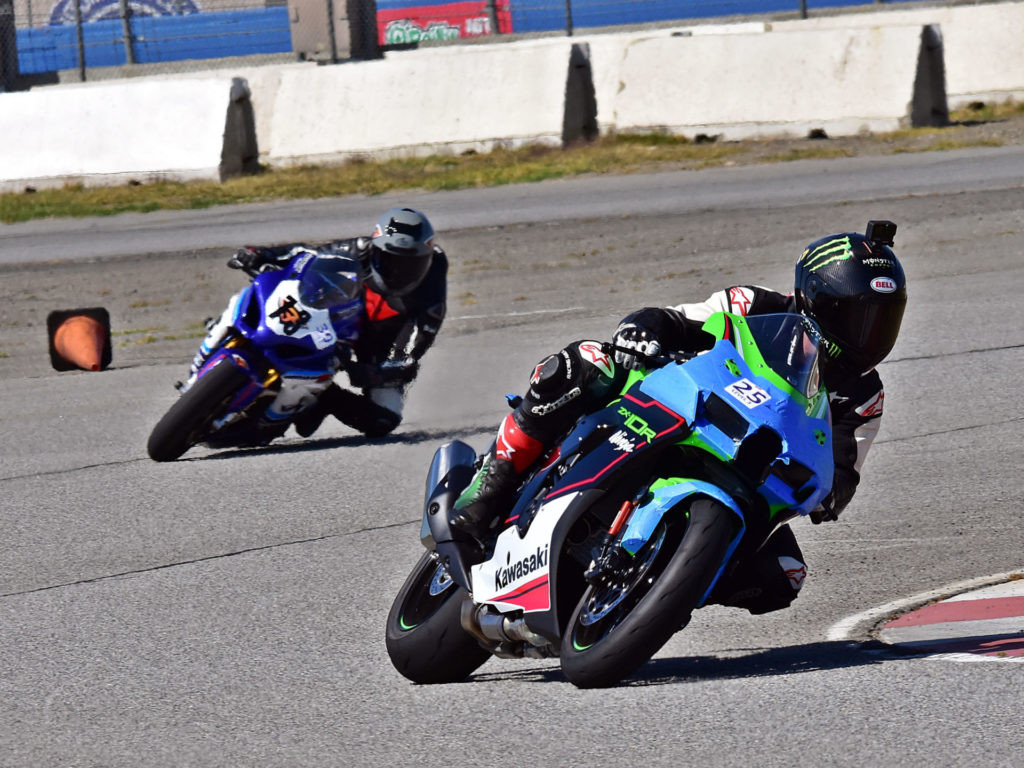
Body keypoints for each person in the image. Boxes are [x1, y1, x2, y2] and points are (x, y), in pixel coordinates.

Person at [450, 220, 907, 616]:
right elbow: (673, 319)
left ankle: (660, 589)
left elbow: (841, 475)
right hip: (676, 407)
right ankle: (493, 480)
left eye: (882, 321)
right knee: (586, 363)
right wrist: (642, 333)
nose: (867, 336)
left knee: (785, 575)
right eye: (854, 319)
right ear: (814, 300)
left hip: (748, 471)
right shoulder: (754, 305)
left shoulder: (864, 395)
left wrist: (825, 495)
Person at [195, 207, 447, 439]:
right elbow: (310, 255)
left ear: (427, 259)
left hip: (383, 341)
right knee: (272, 294)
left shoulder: (431, 295)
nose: (399, 272)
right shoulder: (360, 249)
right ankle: (227, 334)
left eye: (411, 265)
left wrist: (381, 371)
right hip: (342, 318)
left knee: (383, 420)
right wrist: (263, 255)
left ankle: (321, 398)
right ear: (375, 248)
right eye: (390, 260)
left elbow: (411, 353)